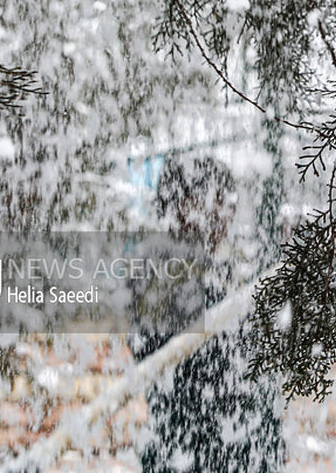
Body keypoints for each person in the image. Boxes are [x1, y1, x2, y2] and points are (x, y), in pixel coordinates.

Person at [133, 154, 284, 473]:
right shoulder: (160, 277)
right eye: (214, 199)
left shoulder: (214, 276)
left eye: (228, 201)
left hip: (228, 453)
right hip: (194, 455)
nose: (224, 213)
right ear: (179, 206)